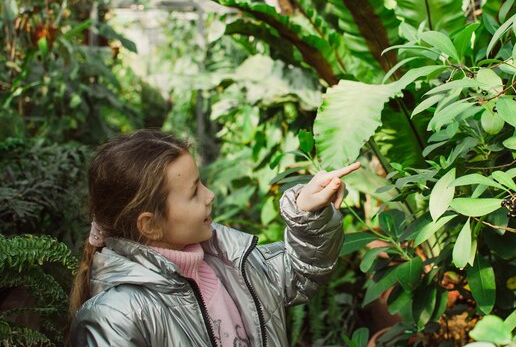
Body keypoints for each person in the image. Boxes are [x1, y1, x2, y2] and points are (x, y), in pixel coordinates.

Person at [68, 129, 360, 347]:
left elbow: (299, 274)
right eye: (195, 192)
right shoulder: (114, 319)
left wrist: (307, 212)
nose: (210, 195)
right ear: (150, 224)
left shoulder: (228, 261)